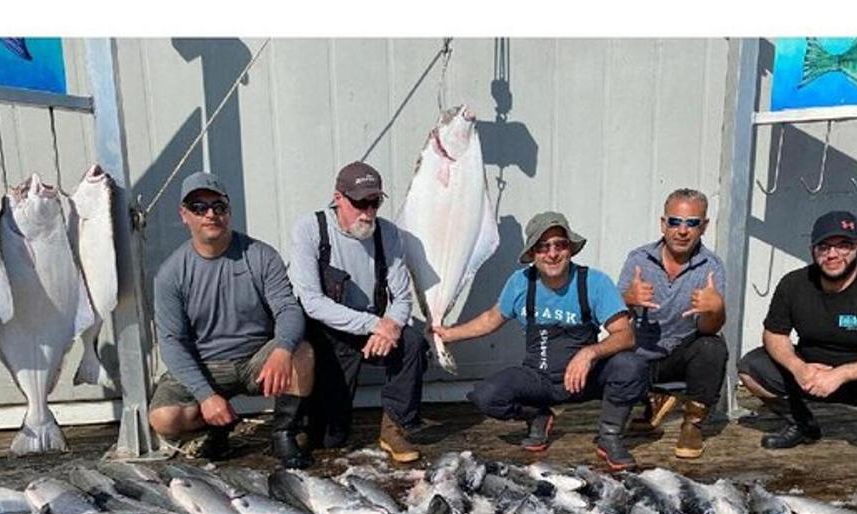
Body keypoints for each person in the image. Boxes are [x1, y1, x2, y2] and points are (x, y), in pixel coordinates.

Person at [434, 212, 647, 471]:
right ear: (532, 253)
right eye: (543, 247)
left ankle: (609, 437)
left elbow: (625, 334)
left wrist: (589, 353)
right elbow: (491, 318)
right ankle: (538, 415)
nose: (552, 253)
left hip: (585, 379)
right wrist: (450, 334)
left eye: (560, 244)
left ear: (570, 249)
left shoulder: (594, 281)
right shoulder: (521, 282)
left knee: (631, 365)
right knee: (486, 397)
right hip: (540, 379)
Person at [737, 210, 857, 470]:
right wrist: (798, 367)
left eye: (844, 246)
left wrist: (842, 374)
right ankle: (801, 423)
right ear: (812, 249)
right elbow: (775, 333)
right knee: (751, 369)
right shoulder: (794, 283)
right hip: (809, 373)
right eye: (825, 246)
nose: (832, 254)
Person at [148, 172, 314, 468]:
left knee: (302, 352)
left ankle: (284, 433)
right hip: (207, 365)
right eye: (199, 207)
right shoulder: (171, 274)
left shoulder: (261, 256)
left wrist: (282, 349)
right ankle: (216, 427)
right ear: (184, 215)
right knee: (163, 418)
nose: (210, 214)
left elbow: (288, 309)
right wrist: (205, 394)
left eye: (219, 206)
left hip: (255, 362)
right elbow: (171, 342)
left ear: (229, 211)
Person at [287, 161, 429, 463]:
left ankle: (394, 427)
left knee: (413, 343)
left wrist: (390, 325)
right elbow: (311, 301)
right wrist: (376, 324)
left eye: (374, 202)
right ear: (338, 198)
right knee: (330, 439)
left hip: (375, 332)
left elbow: (401, 295)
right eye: (359, 202)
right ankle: (304, 423)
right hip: (330, 334)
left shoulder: (388, 234)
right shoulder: (310, 229)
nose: (367, 211)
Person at [621, 188, 728, 459]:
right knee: (607, 356)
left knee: (713, 346)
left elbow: (708, 329)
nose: (682, 230)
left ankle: (692, 424)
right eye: (675, 221)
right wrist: (627, 300)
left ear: (703, 227)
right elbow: (614, 319)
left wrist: (715, 310)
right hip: (641, 355)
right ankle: (651, 402)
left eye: (692, 222)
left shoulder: (712, 266)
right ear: (663, 223)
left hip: (680, 355)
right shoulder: (638, 259)